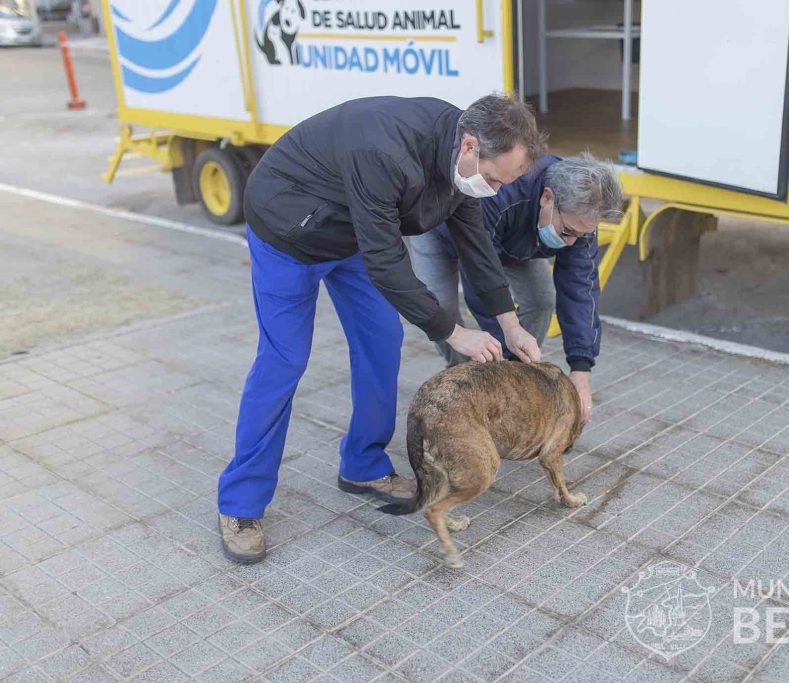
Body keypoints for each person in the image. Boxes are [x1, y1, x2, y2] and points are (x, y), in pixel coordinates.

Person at [217, 95, 545, 564]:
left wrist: (509, 324)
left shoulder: (460, 167)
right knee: (284, 360)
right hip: (287, 231)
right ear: (470, 145)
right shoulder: (385, 151)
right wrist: (453, 331)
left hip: (352, 234)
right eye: (493, 178)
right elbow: (388, 265)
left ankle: (363, 465)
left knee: (382, 340)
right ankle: (240, 504)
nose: (492, 188)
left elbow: (476, 248)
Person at [409, 154, 622, 424]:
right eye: (567, 231)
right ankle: (465, 376)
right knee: (440, 310)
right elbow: (481, 277)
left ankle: (514, 372)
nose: (571, 243)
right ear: (547, 197)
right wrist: (501, 339)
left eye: (582, 235)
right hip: (440, 228)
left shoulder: (580, 219)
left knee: (542, 300)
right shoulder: (504, 193)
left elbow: (581, 286)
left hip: (512, 240)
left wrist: (581, 367)